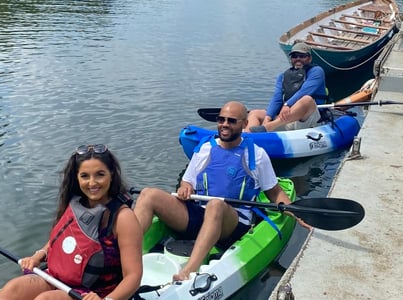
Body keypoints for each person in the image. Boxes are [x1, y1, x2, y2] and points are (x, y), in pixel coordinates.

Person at [132, 101, 311, 281]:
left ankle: (189, 271)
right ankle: (123, 254)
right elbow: (187, 180)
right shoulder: (205, 148)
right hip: (200, 215)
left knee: (216, 205)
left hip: (234, 223)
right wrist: (185, 187)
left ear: (244, 124)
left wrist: (294, 211)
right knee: (148, 194)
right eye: (221, 119)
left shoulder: (256, 154)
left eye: (232, 121)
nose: (225, 124)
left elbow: (275, 193)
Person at [0, 144, 143, 300]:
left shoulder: (123, 218)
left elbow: (133, 276)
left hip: (95, 294)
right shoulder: (76, 203)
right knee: (13, 289)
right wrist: (38, 256)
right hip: (58, 278)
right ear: (77, 177)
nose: (92, 183)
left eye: (100, 174)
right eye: (85, 176)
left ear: (111, 174)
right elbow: (64, 239)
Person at [245, 42, 329, 132]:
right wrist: (268, 117)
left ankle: (268, 128)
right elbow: (277, 98)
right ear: (291, 59)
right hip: (285, 119)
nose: (298, 59)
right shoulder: (283, 76)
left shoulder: (316, 71)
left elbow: (304, 91)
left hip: (306, 118)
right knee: (255, 113)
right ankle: (248, 136)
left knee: (307, 99)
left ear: (309, 58)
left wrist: (287, 104)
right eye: (295, 56)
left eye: (302, 56)